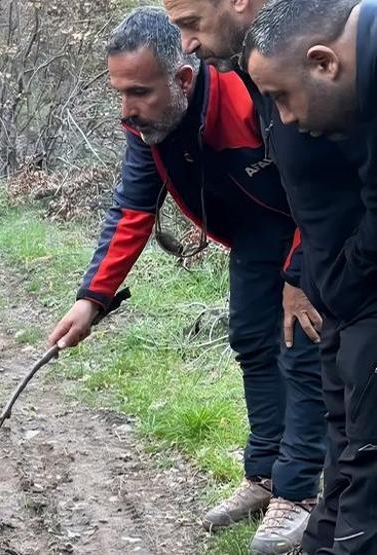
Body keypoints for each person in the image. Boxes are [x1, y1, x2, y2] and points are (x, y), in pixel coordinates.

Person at [48, 8, 326, 554]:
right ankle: (266, 476)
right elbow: (132, 209)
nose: (127, 109)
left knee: (301, 350)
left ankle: (298, 494)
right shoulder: (149, 126)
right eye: (120, 92)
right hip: (253, 236)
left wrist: (299, 275)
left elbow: (313, 188)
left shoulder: (249, 93)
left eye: (140, 92)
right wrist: (92, 300)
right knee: (251, 341)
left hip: (310, 231)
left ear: (182, 78)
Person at [242, 1, 377, 553]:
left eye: (281, 98)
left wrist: (342, 281)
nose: (287, 120)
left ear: (323, 63)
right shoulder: (359, 82)